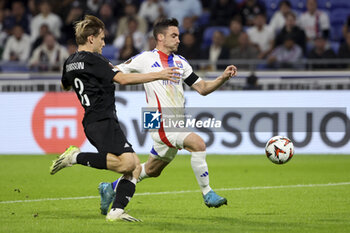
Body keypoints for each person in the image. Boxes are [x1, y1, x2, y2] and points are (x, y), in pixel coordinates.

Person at [99, 18, 237, 215]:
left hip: (176, 121)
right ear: (160, 37)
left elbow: (202, 88)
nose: (178, 40)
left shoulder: (181, 62)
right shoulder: (146, 59)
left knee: (152, 170)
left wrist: (222, 78)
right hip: (158, 119)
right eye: (174, 35)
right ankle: (207, 192)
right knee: (198, 144)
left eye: (178, 36)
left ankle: (110, 187)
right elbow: (116, 72)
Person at [49, 15, 180, 222]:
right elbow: (123, 79)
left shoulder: (70, 61)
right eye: (101, 38)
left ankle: (117, 210)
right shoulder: (94, 59)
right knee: (128, 163)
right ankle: (75, 157)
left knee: (135, 166)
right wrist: (158, 74)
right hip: (102, 120)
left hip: (94, 121)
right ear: (91, 39)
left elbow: (65, 85)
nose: (104, 42)